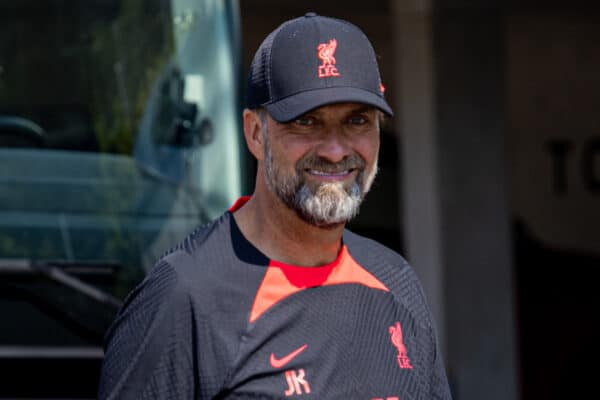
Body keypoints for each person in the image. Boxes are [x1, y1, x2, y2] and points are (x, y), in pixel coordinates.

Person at [98, 12, 452, 400]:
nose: (335, 150)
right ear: (255, 133)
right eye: (306, 122)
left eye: (356, 120)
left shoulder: (397, 283)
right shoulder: (184, 298)